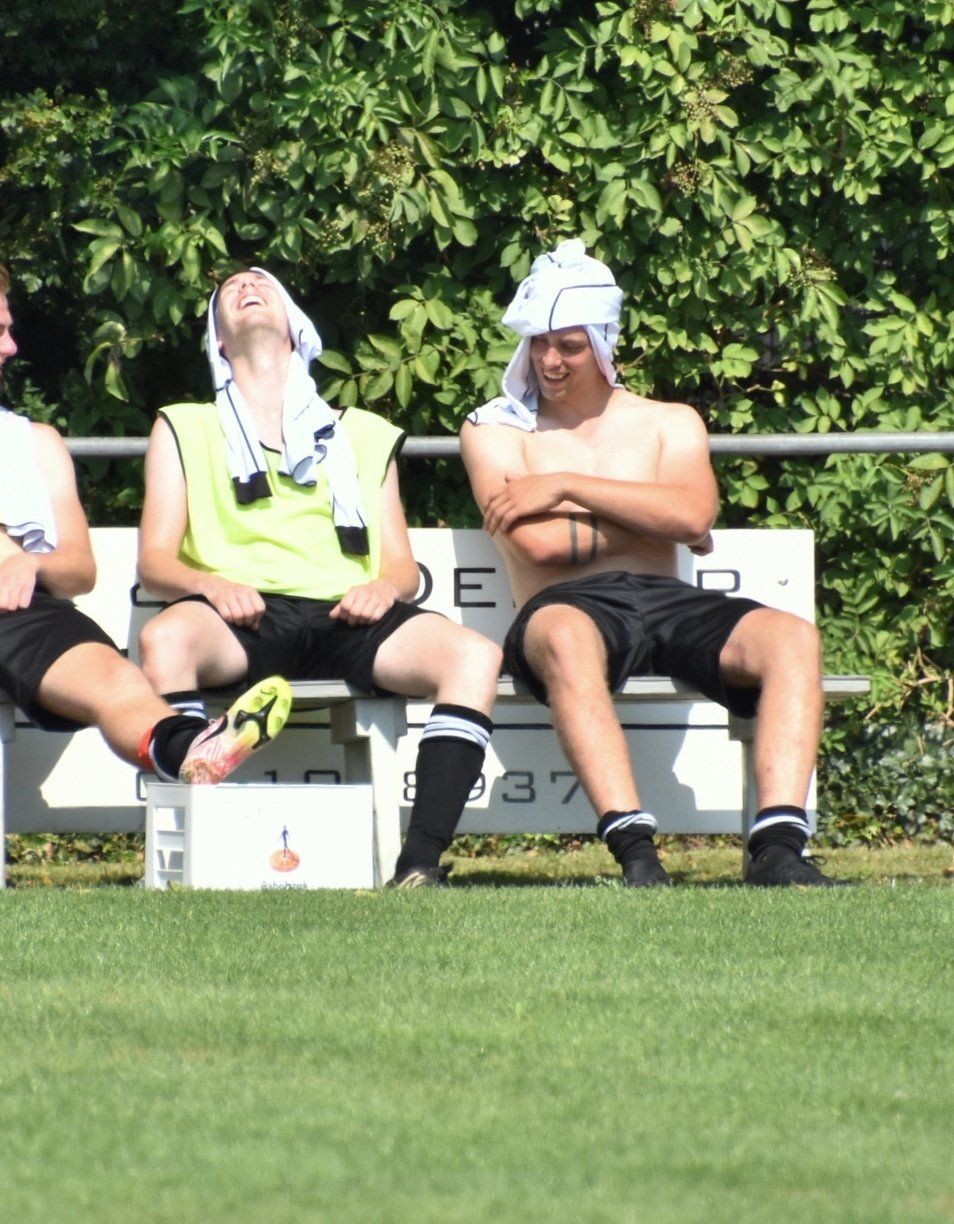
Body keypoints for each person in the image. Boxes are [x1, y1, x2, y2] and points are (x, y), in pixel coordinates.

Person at [0, 256, 292, 884]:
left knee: (116, 677)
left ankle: (188, 750)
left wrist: (27, 563)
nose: (10, 347)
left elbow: (81, 568)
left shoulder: (34, 441)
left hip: (16, 614)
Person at [459, 240, 839, 887]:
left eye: (569, 345)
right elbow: (539, 547)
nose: (549, 360)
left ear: (604, 343)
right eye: (538, 343)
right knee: (567, 636)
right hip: (564, 605)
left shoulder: (669, 421)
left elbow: (692, 516)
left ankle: (778, 849)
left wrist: (564, 486)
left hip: (666, 600)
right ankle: (636, 851)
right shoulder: (495, 429)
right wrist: (650, 513)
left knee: (793, 638)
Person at [135, 268, 502, 888]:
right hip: (242, 614)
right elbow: (155, 562)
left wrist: (383, 588)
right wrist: (212, 585)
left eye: (262, 284)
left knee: (476, 655)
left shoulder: (364, 432)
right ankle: (189, 850)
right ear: (217, 340)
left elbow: (401, 566)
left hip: (345, 614)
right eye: (230, 290)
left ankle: (419, 864)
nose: (245, 288)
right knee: (164, 638)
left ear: (296, 327)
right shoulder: (183, 424)